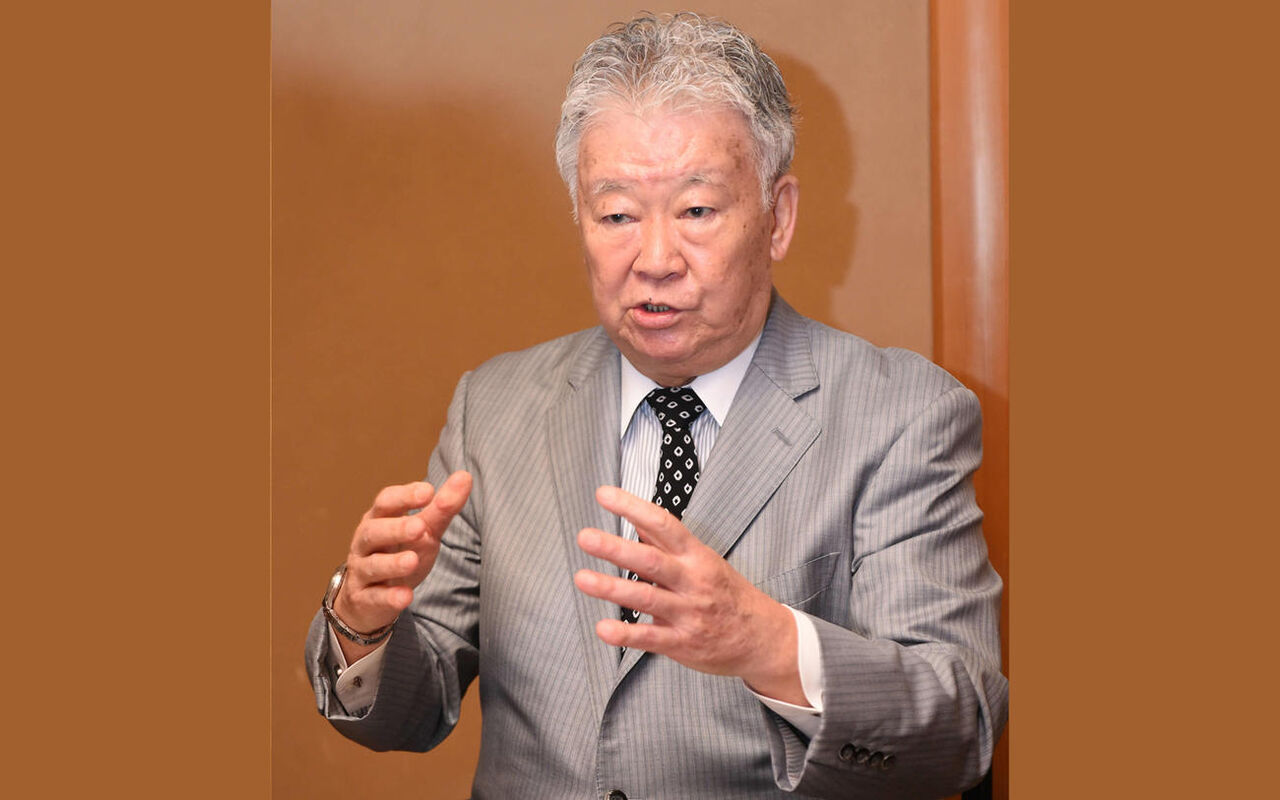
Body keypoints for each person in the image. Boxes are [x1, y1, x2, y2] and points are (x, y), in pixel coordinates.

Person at [306, 12, 1007, 799]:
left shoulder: (901, 416)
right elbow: (410, 707)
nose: (655, 259)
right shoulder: (494, 408)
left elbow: (961, 727)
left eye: (697, 210)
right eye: (616, 215)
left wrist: (768, 643)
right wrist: (360, 624)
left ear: (777, 218)